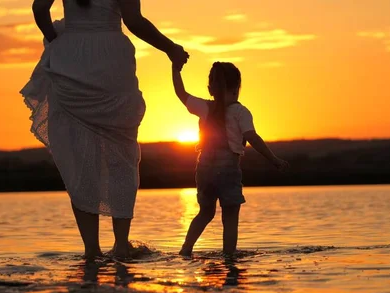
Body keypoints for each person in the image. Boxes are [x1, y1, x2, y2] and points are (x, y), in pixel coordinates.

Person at [21, 0, 189, 259]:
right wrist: (171, 48)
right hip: (111, 58)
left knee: (80, 158)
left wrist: (55, 39)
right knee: (121, 156)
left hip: (71, 56)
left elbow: (40, 7)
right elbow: (134, 21)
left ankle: (91, 250)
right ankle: (121, 245)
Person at [171, 61, 289, 256]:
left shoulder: (205, 107)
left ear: (211, 89)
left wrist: (175, 68)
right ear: (236, 89)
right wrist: (274, 159)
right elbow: (252, 138)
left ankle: (186, 249)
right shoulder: (241, 112)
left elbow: (181, 93)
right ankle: (229, 255)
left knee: (205, 213)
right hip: (228, 168)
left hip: (204, 168)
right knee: (230, 215)